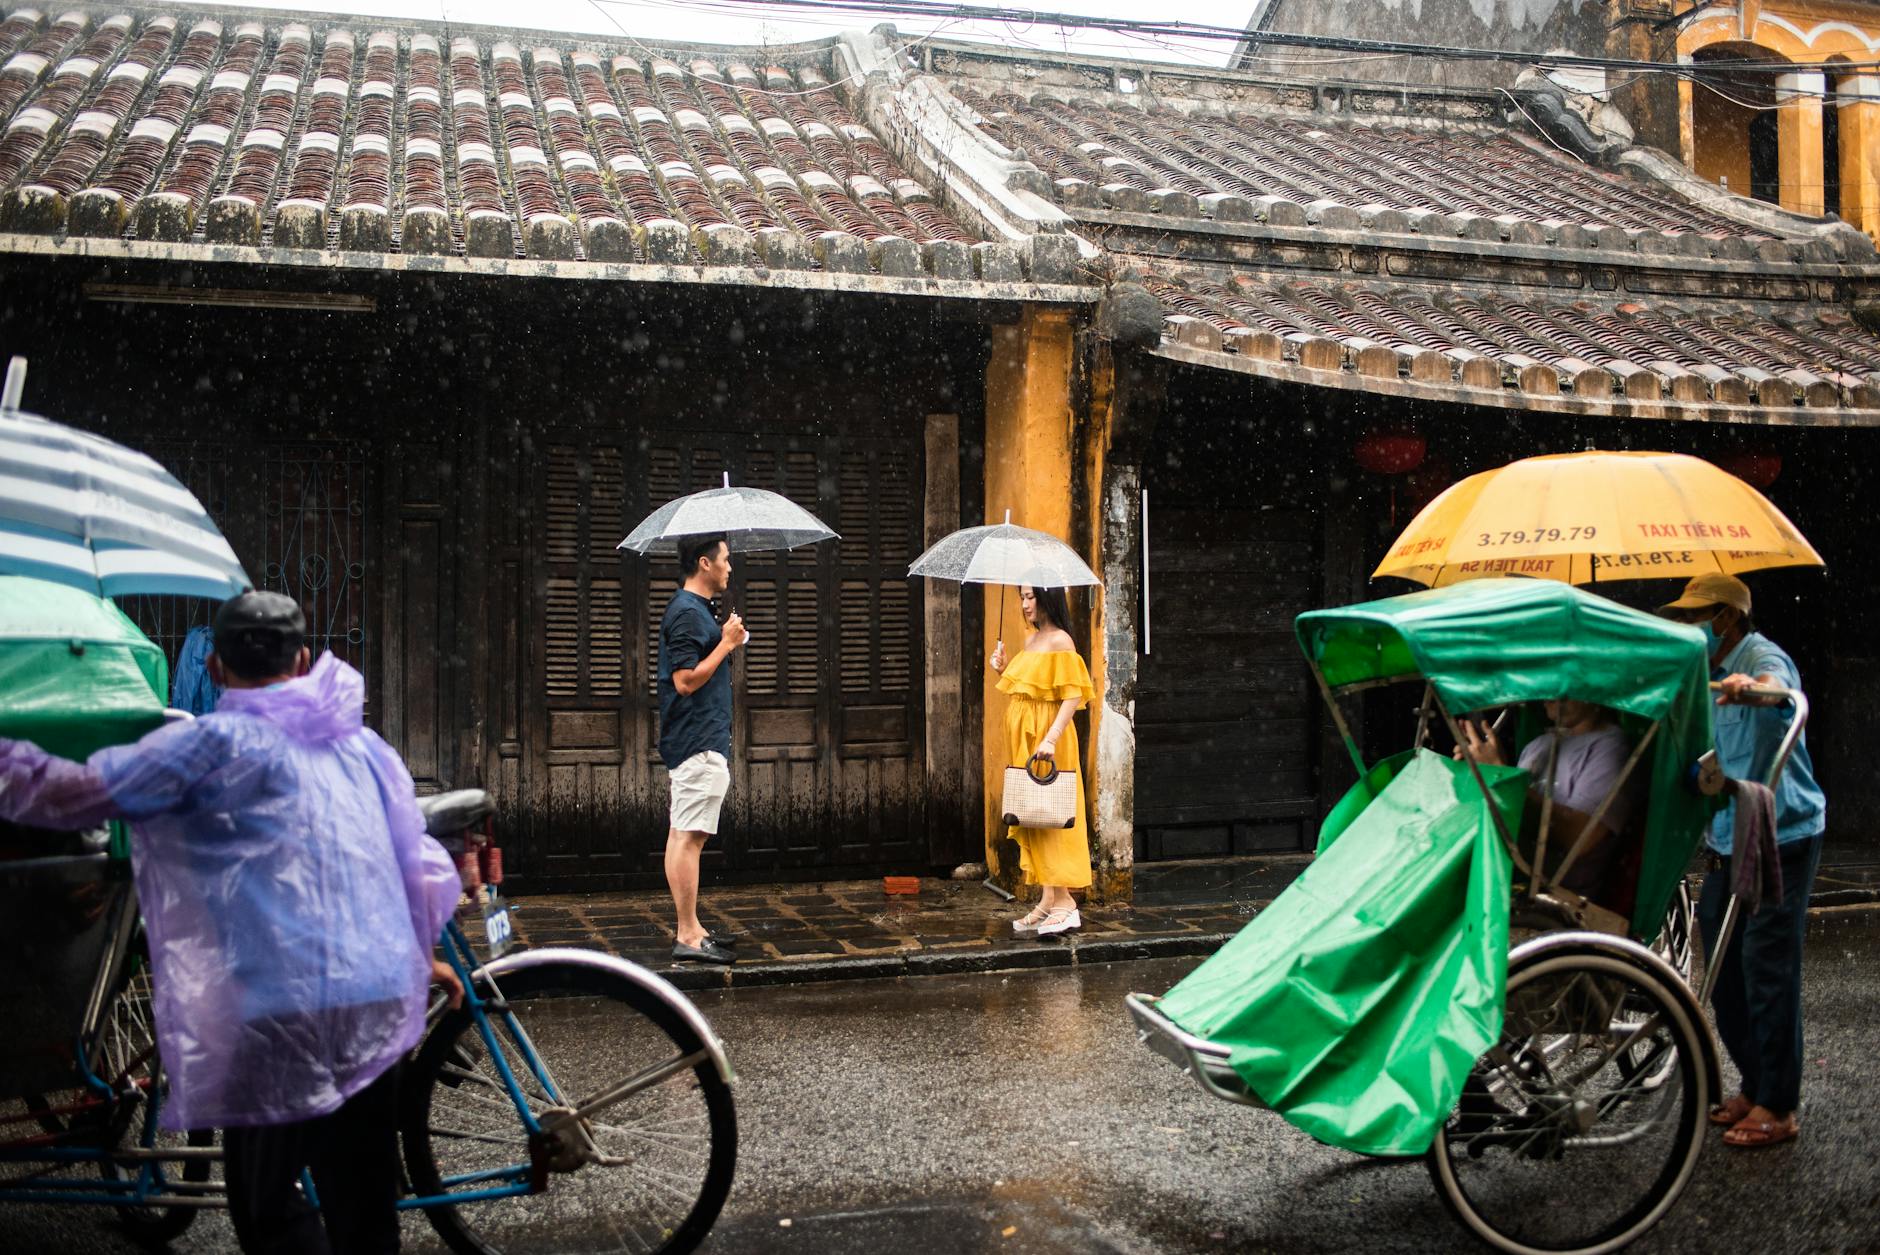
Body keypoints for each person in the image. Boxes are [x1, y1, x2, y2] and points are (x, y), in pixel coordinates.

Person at [0, 591, 464, 1254]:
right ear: (303, 659)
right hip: (376, 998)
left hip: (281, 1013)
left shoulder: (208, 744)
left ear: (214, 668)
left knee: (266, 1206)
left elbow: (73, 791)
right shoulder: (359, 744)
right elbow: (414, 859)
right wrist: (423, 954)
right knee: (364, 1207)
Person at [1660, 572, 1825, 1150]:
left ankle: (1779, 1105)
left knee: (1767, 968)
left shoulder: (1761, 655)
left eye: (1694, 615)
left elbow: (1777, 689)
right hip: (1728, 834)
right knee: (1724, 971)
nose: (1687, 625)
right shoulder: (1701, 674)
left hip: (1782, 832)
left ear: (1725, 618)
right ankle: (1755, 1085)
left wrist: (1751, 687)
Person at [1456, 699, 1642, 907]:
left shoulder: (1609, 749)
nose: (1547, 694)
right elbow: (1512, 815)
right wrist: (1483, 774)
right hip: (1504, 878)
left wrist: (1501, 777)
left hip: (1557, 899)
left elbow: (1580, 836)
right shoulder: (1538, 745)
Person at [990, 584, 1097, 936]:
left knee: (1052, 815)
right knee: (1035, 815)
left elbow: (1072, 695)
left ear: (1047, 598)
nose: (1024, 604)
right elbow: (1029, 688)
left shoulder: (1061, 641)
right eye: (1021, 597)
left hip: (1048, 742)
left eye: (1030, 597)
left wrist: (1050, 738)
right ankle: (1047, 901)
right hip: (1025, 741)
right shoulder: (1031, 641)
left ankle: (1065, 902)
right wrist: (1002, 669)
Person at [658, 535, 746, 965]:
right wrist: (726, 644)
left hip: (698, 737)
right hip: (697, 740)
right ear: (704, 563)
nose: (730, 568)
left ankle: (692, 928)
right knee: (688, 837)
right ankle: (688, 935)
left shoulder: (695, 612)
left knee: (684, 834)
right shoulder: (688, 613)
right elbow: (685, 680)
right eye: (726, 561)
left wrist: (727, 638)